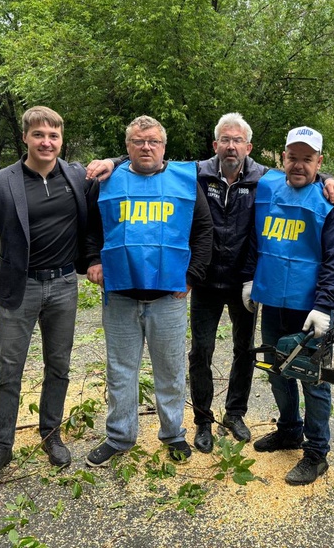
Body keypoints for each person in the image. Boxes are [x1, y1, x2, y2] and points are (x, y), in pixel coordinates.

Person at [85, 113, 334, 454]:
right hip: (205, 282)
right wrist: (113, 160)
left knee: (245, 352)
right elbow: (151, 156)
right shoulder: (193, 172)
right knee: (200, 352)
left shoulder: (264, 179)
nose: (231, 146)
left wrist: (328, 180)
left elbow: (301, 170)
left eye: (238, 140)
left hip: (244, 283)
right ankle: (203, 421)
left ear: (248, 147)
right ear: (215, 145)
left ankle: (235, 414)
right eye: (225, 139)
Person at [0, 106, 96, 487]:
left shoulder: (77, 176)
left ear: (61, 139)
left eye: (53, 135)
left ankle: (51, 434)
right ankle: (1, 447)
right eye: (39, 135)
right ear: (26, 138)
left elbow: (122, 158)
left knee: (59, 366)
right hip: (20, 290)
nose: (46, 142)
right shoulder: (0, 182)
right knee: (8, 372)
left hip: (65, 286)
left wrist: (113, 162)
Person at [84, 115, 213, 466]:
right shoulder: (107, 181)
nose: (146, 147)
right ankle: (119, 437)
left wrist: (191, 277)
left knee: (170, 371)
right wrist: (93, 259)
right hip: (121, 297)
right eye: (138, 141)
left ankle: (173, 434)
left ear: (163, 146)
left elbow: (203, 231)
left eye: (153, 141)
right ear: (127, 148)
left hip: (168, 300)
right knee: (120, 371)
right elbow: (91, 228)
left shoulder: (185, 181)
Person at [245, 126, 334, 486]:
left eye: (308, 159)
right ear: (283, 157)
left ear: (319, 162)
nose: (299, 165)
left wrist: (325, 305)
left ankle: (317, 452)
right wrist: (250, 280)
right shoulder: (267, 186)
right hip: (273, 300)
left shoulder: (331, 201)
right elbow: (252, 239)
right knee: (277, 370)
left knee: (313, 380)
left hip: (312, 309)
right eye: (293, 157)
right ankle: (289, 429)